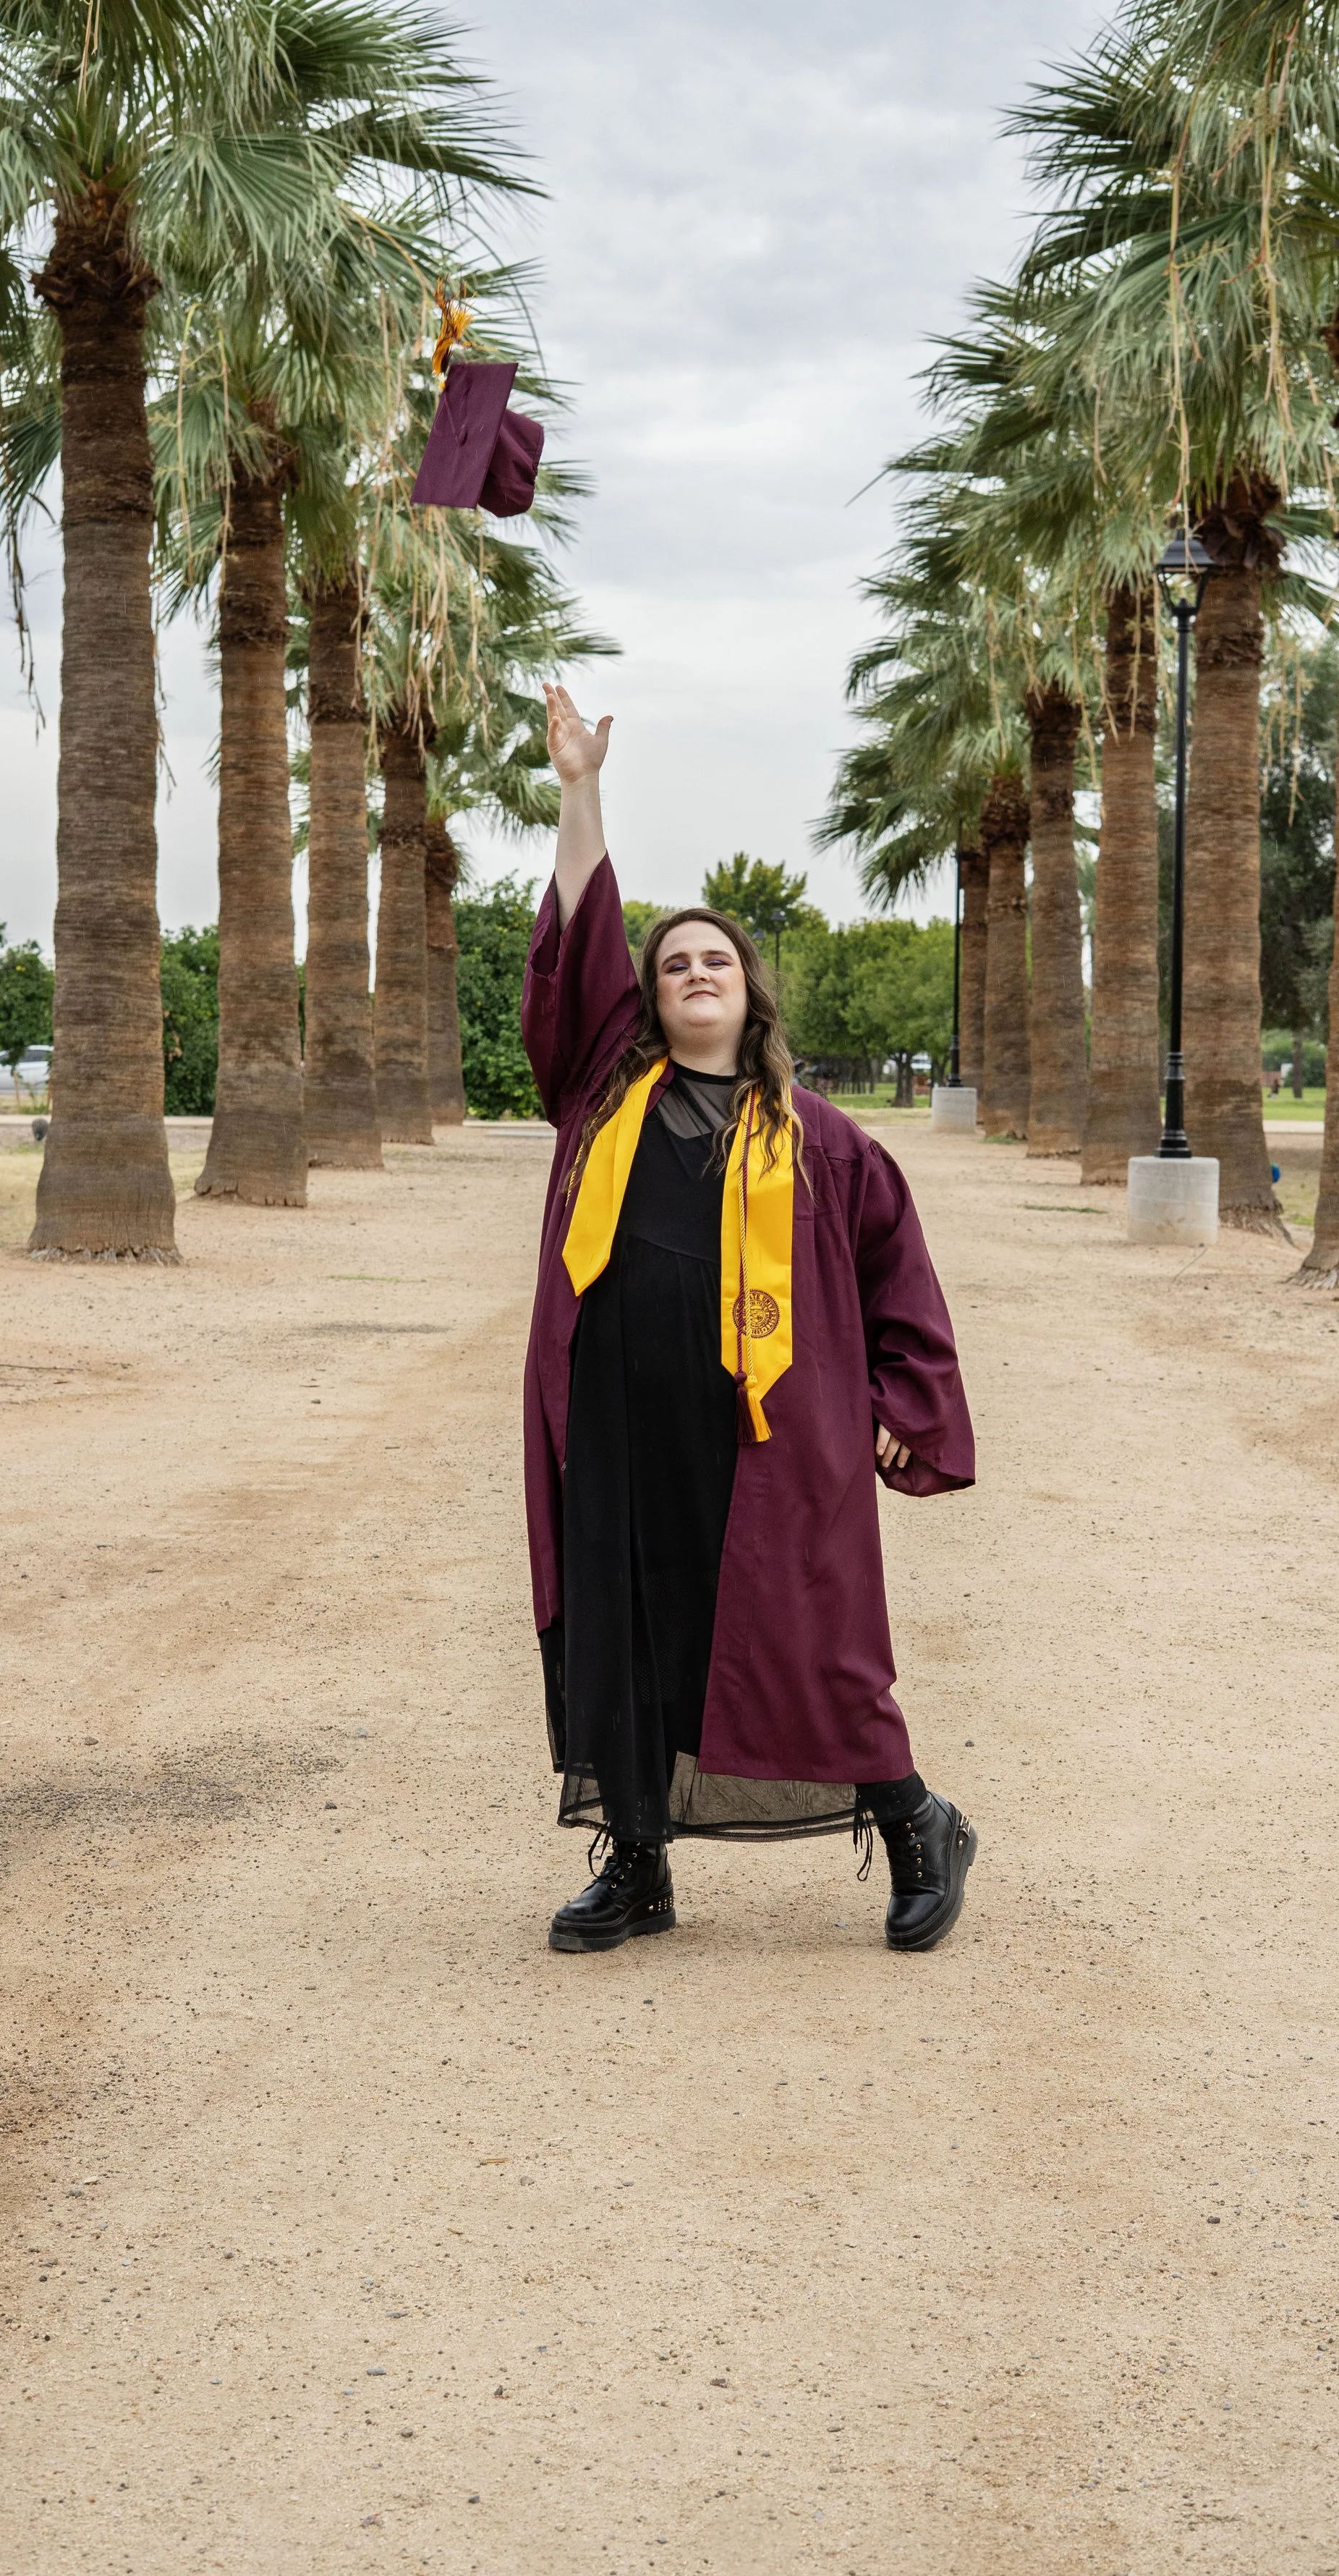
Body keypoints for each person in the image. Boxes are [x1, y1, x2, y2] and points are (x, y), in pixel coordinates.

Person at [521, 685, 977, 1956]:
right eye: (673, 966)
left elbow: (901, 1279)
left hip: (768, 1431)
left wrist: (906, 1409)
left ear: (749, 990)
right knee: (632, 1633)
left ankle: (916, 1820)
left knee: (816, 1638)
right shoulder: (604, 1097)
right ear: (650, 1003)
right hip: (616, 1422)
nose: (693, 973)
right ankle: (639, 1867)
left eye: (715, 959)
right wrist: (579, 790)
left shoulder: (822, 1145)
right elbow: (579, 944)